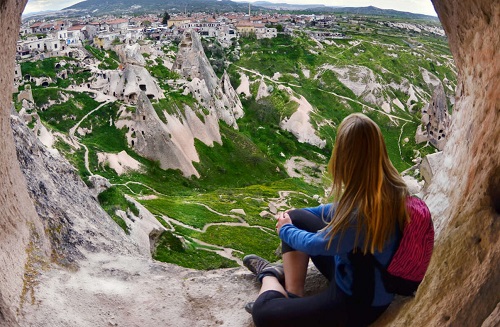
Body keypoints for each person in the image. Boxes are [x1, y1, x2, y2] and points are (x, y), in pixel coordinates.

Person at [243, 113, 410, 327]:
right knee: (296, 218)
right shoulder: (392, 189)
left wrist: (285, 230)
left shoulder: (359, 216)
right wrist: (297, 215)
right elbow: (333, 211)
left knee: (263, 313)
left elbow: (319, 244)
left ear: (345, 158)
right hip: (363, 277)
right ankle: (293, 297)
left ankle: (269, 276)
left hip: (356, 304)